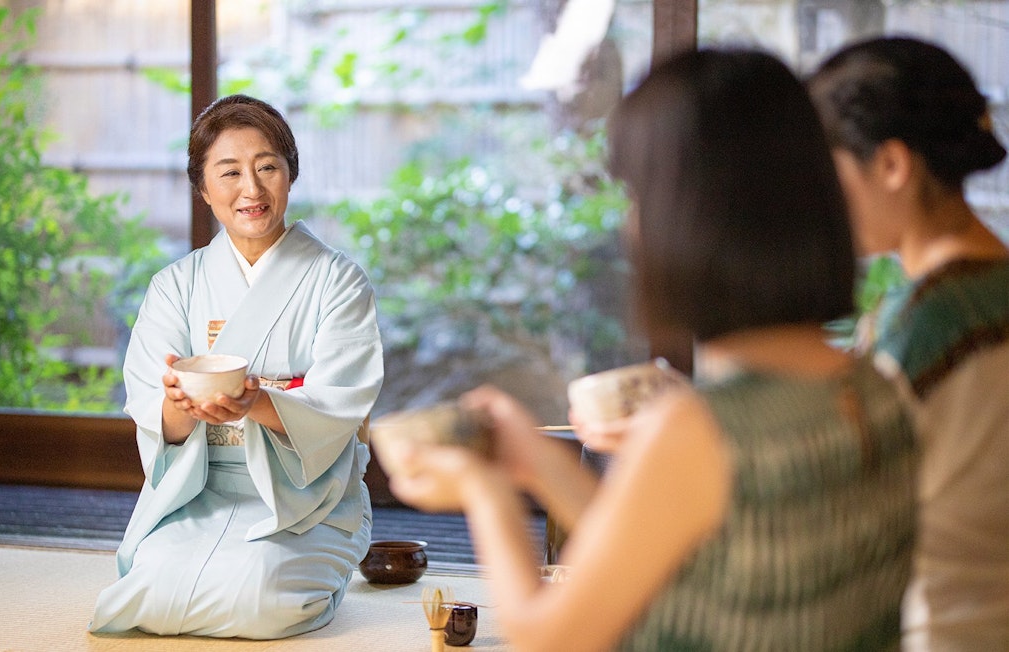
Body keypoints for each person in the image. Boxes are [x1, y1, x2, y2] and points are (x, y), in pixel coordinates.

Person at [376, 48, 918, 651]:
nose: (632, 225)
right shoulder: (878, 385)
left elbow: (547, 635)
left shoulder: (699, 431)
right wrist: (531, 458)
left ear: (695, 214)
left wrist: (484, 491)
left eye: (640, 194)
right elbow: (663, 545)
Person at [89, 94, 384, 639]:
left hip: (305, 498)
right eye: (229, 173)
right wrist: (179, 407)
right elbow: (153, 411)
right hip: (198, 489)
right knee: (144, 597)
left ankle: (330, 566)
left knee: (259, 599)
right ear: (204, 190)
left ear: (289, 175)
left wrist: (257, 402)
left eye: (267, 167)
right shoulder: (175, 286)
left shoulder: (337, 282)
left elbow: (339, 404)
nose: (251, 189)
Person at [808, 37, 1009, 651]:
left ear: (892, 166)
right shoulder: (990, 283)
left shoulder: (930, 317)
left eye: (829, 169)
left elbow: (836, 497)